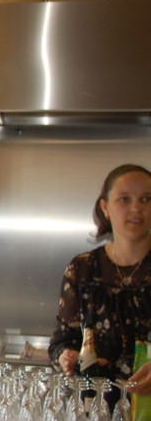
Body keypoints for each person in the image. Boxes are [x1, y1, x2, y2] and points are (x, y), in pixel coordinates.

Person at [49, 164, 151, 404]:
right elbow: (63, 341)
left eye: (146, 199)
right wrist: (66, 356)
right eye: (124, 199)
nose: (136, 208)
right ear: (105, 207)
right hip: (95, 411)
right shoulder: (83, 269)